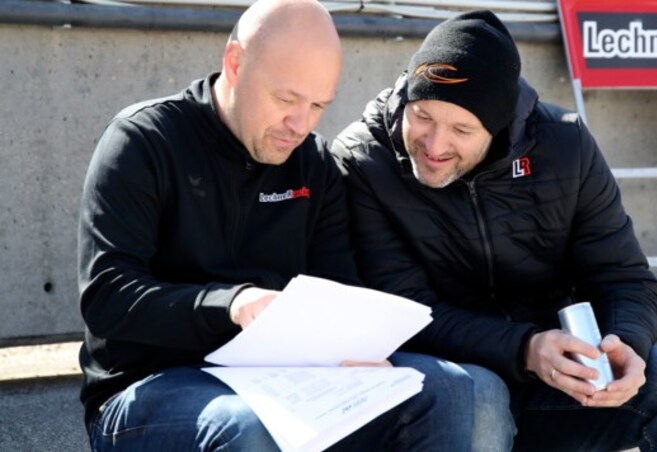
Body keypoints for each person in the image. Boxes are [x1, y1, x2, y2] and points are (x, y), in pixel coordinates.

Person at [77, 1, 480, 450]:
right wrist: (233, 305)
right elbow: (107, 297)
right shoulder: (144, 141)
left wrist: (362, 354)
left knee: (451, 391)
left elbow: (338, 286)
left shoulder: (314, 164)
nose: (299, 125)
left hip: (286, 383)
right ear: (234, 63)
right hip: (150, 386)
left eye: (317, 106)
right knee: (251, 428)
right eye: (286, 99)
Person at [332, 9, 657, 451]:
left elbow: (623, 277)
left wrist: (622, 344)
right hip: (449, 377)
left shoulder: (565, 145)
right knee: (480, 396)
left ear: (498, 128)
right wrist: (525, 349)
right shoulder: (363, 159)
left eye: (461, 129)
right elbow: (402, 310)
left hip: (556, 374)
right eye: (422, 116)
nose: (435, 144)